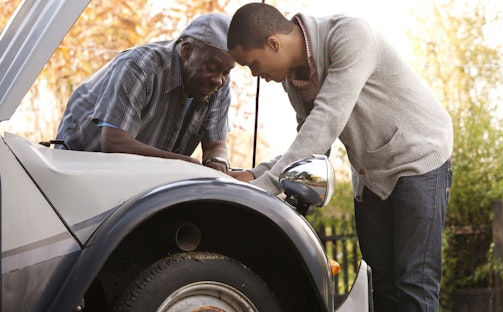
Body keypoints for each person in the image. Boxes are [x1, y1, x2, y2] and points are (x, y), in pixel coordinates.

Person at [227, 3, 454, 311]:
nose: (256, 74)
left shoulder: (350, 35)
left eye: (252, 64)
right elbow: (313, 143)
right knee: (381, 286)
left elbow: (328, 118)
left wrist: (266, 184)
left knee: (415, 283)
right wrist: (256, 174)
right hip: (372, 173)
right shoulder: (294, 81)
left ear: (273, 43)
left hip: (418, 157)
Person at [55, 13, 235, 172]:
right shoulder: (140, 66)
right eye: (211, 67)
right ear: (186, 51)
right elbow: (115, 142)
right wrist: (184, 164)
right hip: (80, 168)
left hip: (141, 177)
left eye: (227, 72)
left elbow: (216, 144)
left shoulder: (219, 85)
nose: (218, 79)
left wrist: (217, 163)